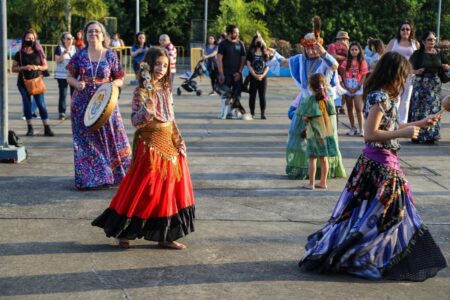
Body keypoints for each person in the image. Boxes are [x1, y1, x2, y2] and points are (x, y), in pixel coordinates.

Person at [298, 52, 447, 281]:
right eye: (403, 77)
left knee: (377, 214)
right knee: (387, 214)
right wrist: (404, 133)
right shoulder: (379, 97)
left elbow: (392, 125)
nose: (404, 82)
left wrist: (421, 123)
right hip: (379, 165)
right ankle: (364, 255)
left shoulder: (386, 96)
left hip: (381, 163)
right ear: (393, 74)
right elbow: (369, 134)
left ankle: (374, 255)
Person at [92, 47, 195, 250]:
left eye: (165, 66)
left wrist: (179, 141)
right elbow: (135, 121)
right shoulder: (140, 91)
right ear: (149, 65)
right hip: (149, 145)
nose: (161, 69)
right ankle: (124, 232)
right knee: (141, 189)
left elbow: (171, 119)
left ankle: (165, 235)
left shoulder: (166, 91)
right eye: (158, 64)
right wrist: (146, 109)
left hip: (169, 145)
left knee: (168, 191)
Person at [66, 20, 131, 190]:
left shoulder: (110, 55)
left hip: (106, 103)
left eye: (96, 31)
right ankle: (91, 180)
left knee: (111, 138)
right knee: (86, 142)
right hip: (82, 104)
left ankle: (114, 175)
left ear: (103, 36)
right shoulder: (79, 55)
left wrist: (111, 86)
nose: (93, 34)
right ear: (85, 36)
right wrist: (76, 84)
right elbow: (69, 76)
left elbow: (120, 78)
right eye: (89, 32)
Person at [278, 33, 346, 180]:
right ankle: (301, 170)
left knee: (325, 138)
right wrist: (271, 53)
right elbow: (284, 62)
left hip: (323, 104)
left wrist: (323, 53)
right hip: (306, 102)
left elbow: (335, 65)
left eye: (314, 48)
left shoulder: (325, 60)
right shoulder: (300, 60)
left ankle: (325, 175)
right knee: (297, 134)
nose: (311, 51)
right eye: (307, 48)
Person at [408, 31, 450, 144]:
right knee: (420, 110)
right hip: (421, 85)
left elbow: (448, 67)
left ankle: (432, 135)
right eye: (429, 40)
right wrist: (416, 71)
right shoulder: (417, 54)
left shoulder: (439, 53)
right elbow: (407, 68)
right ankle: (418, 135)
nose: (432, 42)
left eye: (434, 39)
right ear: (423, 42)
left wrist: (447, 67)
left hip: (435, 86)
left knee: (434, 109)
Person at [12, 29, 54, 137]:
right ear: (24, 39)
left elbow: (45, 66)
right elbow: (13, 68)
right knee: (27, 105)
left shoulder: (38, 52)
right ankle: (30, 128)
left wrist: (37, 67)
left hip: (36, 82)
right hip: (23, 82)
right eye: (28, 38)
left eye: (32, 38)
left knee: (41, 105)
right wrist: (24, 67)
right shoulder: (19, 54)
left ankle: (47, 128)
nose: (30, 40)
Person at [299, 73, 339, 190]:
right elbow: (332, 113)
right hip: (326, 133)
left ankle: (311, 184)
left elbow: (305, 117)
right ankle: (323, 182)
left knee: (312, 158)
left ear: (311, 87)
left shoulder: (309, 100)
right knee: (324, 158)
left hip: (313, 134)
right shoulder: (327, 99)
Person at [386, 21, 420, 123]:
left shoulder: (415, 43)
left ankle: (402, 123)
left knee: (405, 101)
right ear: (399, 31)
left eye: (407, 29)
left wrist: (416, 70)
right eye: (403, 29)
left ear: (411, 31)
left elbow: (419, 59)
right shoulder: (393, 42)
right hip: (394, 75)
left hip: (409, 75)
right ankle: (392, 121)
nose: (405, 31)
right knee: (394, 98)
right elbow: (385, 56)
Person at [339, 42, 369, 137]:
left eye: (356, 49)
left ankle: (361, 129)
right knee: (349, 109)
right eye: (352, 49)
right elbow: (343, 74)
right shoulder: (346, 61)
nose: (354, 51)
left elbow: (364, 75)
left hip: (358, 86)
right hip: (348, 85)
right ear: (349, 51)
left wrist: (359, 86)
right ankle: (353, 127)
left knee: (359, 109)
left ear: (359, 50)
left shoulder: (362, 61)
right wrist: (346, 86)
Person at [216, 24, 246, 118]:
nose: (237, 34)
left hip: (237, 74)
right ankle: (226, 112)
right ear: (229, 33)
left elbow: (243, 59)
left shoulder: (240, 44)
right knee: (226, 95)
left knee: (237, 95)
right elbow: (219, 59)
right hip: (226, 74)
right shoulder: (223, 44)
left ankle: (235, 112)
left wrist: (240, 72)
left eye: (238, 32)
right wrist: (221, 74)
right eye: (235, 32)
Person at [246, 32, 270, 119]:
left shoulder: (265, 52)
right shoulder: (251, 51)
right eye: (257, 40)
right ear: (254, 41)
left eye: (260, 40)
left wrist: (262, 75)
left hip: (263, 77)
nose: (258, 42)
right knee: (252, 95)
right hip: (253, 77)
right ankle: (252, 113)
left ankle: (262, 113)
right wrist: (254, 74)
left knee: (262, 95)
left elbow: (268, 65)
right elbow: (248, 64)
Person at [54, 32, 76, 120]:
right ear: (63, 40)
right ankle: (62, 112)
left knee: (74, 95)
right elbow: (57, 61)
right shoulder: (59, 48)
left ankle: (74, 112)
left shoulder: (75, 49)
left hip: (73, 76)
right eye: (68, 38)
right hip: (62, 75)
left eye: (71, 38)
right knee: (63, 94)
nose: (70, 40)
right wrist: (63, 53)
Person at [327, 31, 350, 115]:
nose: (344, 41)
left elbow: (351, 57)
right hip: (334, 71)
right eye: (343, 39)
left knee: (345, 89)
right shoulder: (332, 46)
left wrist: (347, 48)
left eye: (346, 39)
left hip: (345, 71)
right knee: (339, 87)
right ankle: (337, 105)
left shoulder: (347, 47)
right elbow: (332, 56)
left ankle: (342, 106)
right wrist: (344, 57)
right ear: (338, 39)